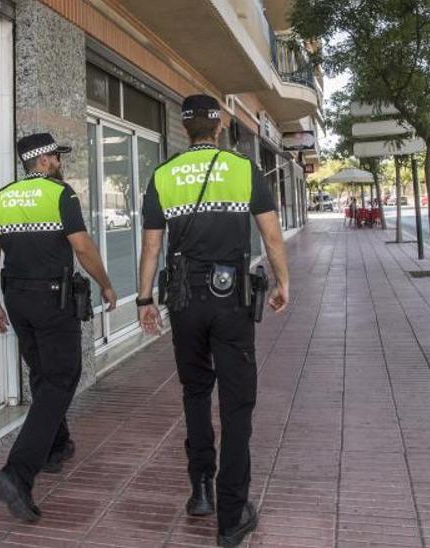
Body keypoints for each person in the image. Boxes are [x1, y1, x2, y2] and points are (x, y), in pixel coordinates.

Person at [136, 94, 290, 547]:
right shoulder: (243, 170)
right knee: (238, 401)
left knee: (196, 391)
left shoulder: (163, 176)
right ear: (219, 126)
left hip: (184, 300)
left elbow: (150, 247)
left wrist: (144, 298)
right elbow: (272, 235)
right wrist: (283, 281)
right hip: (231, 298)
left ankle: (200, 489)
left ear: (186, 129)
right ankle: (232, 512)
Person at [0, 132, 117, 522]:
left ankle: (57, 446)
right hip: (53, 299)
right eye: (56, 157)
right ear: (42, 161)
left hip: (17, 298)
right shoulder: (61, 195)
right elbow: (82, 246)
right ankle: (18, 473)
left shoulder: (0, 198)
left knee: (43, 374)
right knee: (62, 377)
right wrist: (105, 283)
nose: (60, 162)